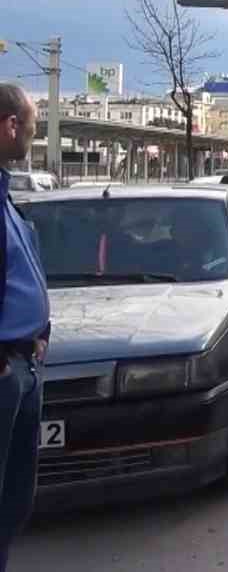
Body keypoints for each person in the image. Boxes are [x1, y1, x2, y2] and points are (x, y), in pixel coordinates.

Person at [0, 84, 50, 568]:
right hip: (5, 370)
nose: (34, 135)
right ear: (11, 124)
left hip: (23, 364)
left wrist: (41, 332)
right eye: (33, 124)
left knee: (15, 501)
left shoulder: (7, 196)